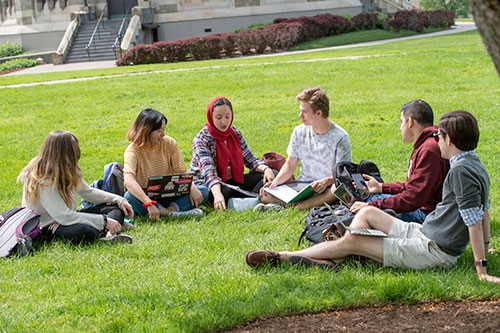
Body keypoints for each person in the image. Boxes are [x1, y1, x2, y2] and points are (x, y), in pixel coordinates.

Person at [246, 110, 500, 284]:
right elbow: (484, 213)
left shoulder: (461, 173)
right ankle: (336, 256)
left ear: (450, 139)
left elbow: (474, 221)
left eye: (439, 136)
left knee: (353, 239)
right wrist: (487, 251)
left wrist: (482, 270)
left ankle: (284, 256)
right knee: (366, 212)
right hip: (426, 234)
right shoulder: (474, 165)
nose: (436, 140)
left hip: (435, 251)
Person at [17, 130, 134, 244]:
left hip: (68, 216)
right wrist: (103, 221)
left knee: (115, 207)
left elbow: (88, 192)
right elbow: (63, 216)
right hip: (50, 225)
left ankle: (109, 232)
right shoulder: (42, 177)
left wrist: (119, 199)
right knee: (84, 231)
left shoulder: (68, 169)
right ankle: (109, 229)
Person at [350, 99, 450, 222]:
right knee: (373, 197)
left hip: (427, 216)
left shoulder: (429, 150)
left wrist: (372, 206)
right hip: (423, 208)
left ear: (411, 122)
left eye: (401, 122)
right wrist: (380, 187)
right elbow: (411, 186)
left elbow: (412, 199)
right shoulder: (427, 144)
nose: (400, 128)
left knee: (370, 203)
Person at [258, 86, 352, 211]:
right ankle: (292, 205)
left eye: (304, 112)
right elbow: (290, 165)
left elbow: (342, 174)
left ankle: (292, 207)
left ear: (318, 113)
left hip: (326, 187)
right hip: (302, 186)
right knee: (266, 193)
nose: (300, 115)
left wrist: (326, 181)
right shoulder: (299, 132)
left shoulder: (341, 137)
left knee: (338, 189)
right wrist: (275, 183)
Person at [189, 96, 273, 211]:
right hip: (210, 185)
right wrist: (218, 195)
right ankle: (256, 198)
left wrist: (266, 169)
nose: (224, 122)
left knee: (271, 175)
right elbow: (209, 172)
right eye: (218, 117)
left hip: (232, 180)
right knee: (224, 192)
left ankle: (248, 200)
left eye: (227, 117)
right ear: (210, 117)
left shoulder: (235, 133)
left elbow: (250, 159)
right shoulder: (202, 139)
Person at [123, 108, 209, 220]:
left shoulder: (169, 143)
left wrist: (192, 187)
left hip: (170, 192)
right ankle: (171, 213)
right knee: (129, 197)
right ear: (146, 131)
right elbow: (129, 181)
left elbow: (181, 171)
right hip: (146, 197)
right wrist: (148, 203)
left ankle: (168, 212)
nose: (163, 135)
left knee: (203, 190)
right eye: (159, 131)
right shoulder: (133, 151)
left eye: (164, 130)